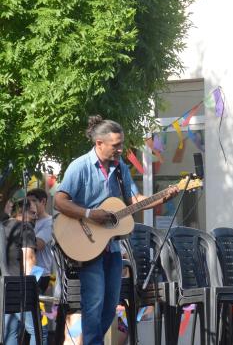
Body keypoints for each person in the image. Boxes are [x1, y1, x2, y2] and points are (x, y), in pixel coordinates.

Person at [54, 116, 179, 344]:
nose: (120, 150)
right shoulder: (79, 166)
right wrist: (90, 214)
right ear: (99, 143)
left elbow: (134, 200)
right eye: (116, 146)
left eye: (121, 144)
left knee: (110, 306)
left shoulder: (120, 168)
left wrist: (163, 197)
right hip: (87, 247)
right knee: (93, 303)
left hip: (111, 247)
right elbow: (59, 202)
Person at [3, 200, 40, 345]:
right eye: (33, 213)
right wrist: (33, 290)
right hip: (21, 289)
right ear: (21, 212)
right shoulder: (25, 227)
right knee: (38, 331)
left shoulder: (2, 226)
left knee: (10, 331)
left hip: (4, 288)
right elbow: (29, 259)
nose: (35, 217)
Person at [26, 188, 54, 292]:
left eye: (34, 201)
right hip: (26, 268)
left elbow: (37, 245)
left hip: (39, 271)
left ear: (43, 202)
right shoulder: (29, 220)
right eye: (28, 202)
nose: (30, 205)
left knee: (31, 303)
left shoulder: (50, 222)